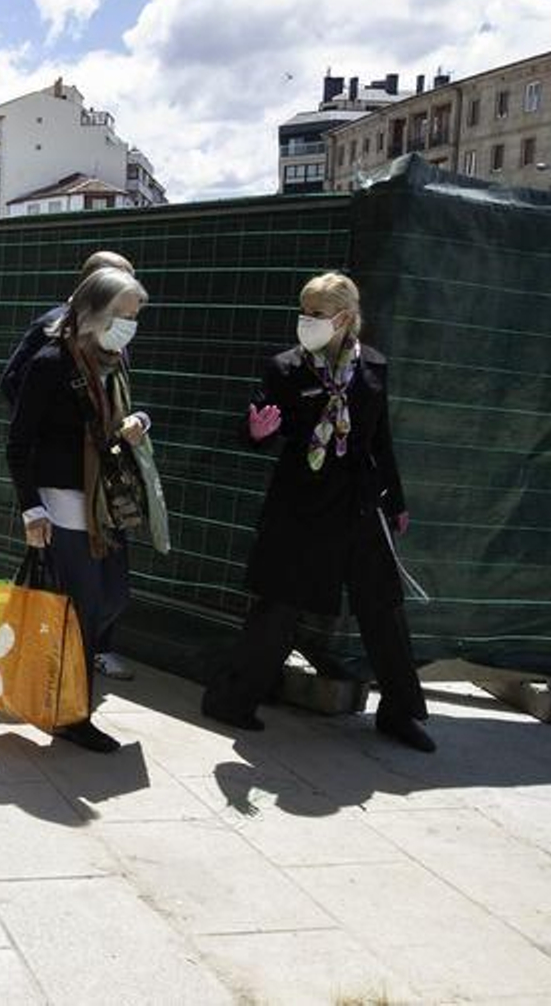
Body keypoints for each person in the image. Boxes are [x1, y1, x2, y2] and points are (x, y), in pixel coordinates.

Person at [201, 271, 434, 753]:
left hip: (358, 505)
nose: (306, 321)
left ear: (345, 318)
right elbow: (253, 427)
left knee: (383, 608)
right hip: (301, 506)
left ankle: (400, 712)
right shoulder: (286, 368)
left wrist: (396, 499)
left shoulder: (372, 367)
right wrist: (258, 432)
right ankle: (232, 700)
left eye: (317, 314)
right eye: (303, 311)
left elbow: (380, 440)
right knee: (278, 607)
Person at [6, 267, 154, 753]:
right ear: (95, 312)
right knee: (84, 608)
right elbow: (18, 441)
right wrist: (31, 509)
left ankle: (64, 696)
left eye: (134, 316)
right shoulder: (52, 361)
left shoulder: (109, 359)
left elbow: (106, 422)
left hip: (101, 501)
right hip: (63, 501)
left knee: (112, 597)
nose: (130, 325)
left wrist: (133, 422)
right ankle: (72, 715)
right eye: (124, 315)